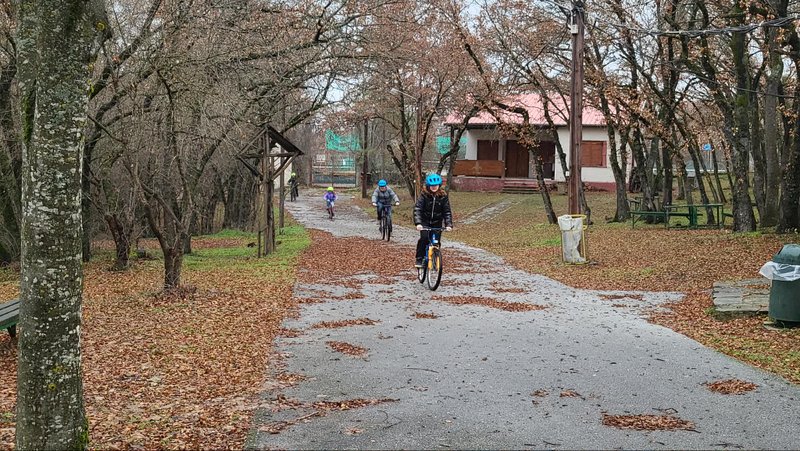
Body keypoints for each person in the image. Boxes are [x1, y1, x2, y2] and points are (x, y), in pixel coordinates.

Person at [413, 173, 453, 268]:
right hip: (425, 222)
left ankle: (435, 257)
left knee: (436, 242)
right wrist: (418, 223)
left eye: (436, 185)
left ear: (439, 186)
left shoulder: (443, 196)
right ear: (428, 186)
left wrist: (448, 224)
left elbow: (447, 211)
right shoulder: (424, 195)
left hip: (437, 223)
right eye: (432, 186)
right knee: (424, 239)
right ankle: (419, 258)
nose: (434, 187)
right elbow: (418, 209)